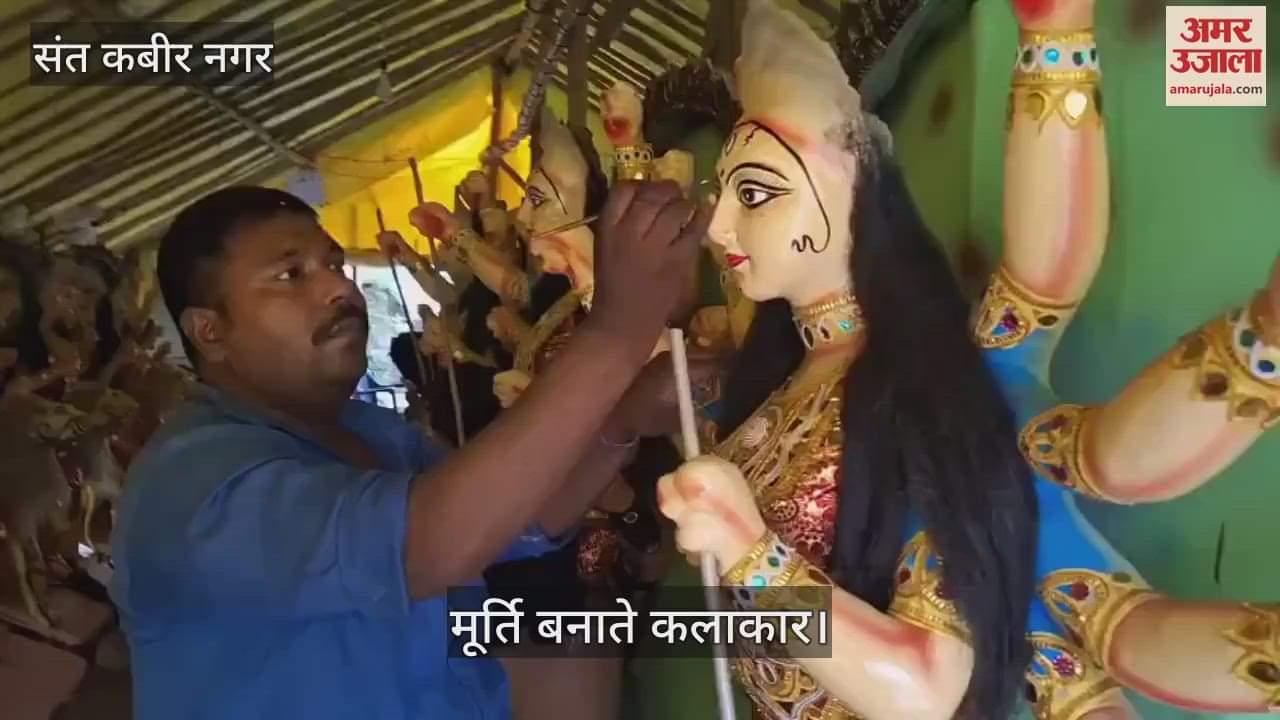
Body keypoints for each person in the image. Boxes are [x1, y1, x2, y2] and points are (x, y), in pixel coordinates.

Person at [659, 1, 1280, 719]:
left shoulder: (927, 405)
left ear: (853, 187)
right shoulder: (780, 381)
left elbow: (921, 687)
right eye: (721, 192)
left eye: (757, 193)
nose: (719, 224)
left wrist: (750, 553)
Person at [109, 180, 709, 719]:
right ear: (209, 331)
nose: (338, 290)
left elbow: (504, 523)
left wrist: (622, 420)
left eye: (335, 264)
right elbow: (435, 542)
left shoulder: (370, 433)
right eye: (292, 276)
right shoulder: (200, 487)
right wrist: (614, 333)